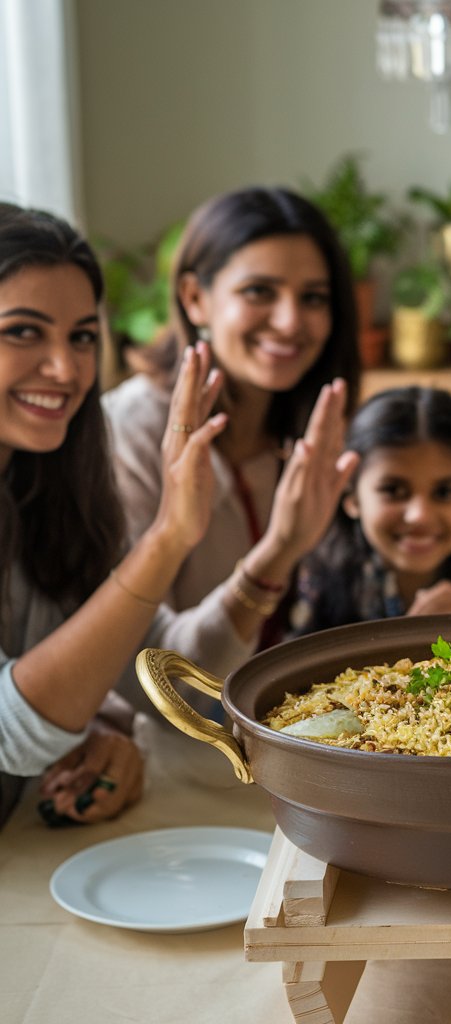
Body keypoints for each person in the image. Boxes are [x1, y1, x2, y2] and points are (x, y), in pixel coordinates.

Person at [0, 204, 234, 826]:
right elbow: (11, 731)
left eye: (80, 336)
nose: (66, 368)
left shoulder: (45, 488)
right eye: (24, 331)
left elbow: (145, 660)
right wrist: (167, 537)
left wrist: (108, 725)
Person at [103, 187, 361, 697]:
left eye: (313, 297)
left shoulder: (315, 427)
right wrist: (277, 555)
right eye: (259, 292)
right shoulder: (128, 432)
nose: (290, 322)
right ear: (195, 298)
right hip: (167, 746)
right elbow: (151, 682)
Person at [292, 386, 451, 632]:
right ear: (352, 498)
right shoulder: (319, 578)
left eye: (445, 493)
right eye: (393, 491)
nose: (420, 515)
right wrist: (410, 641)